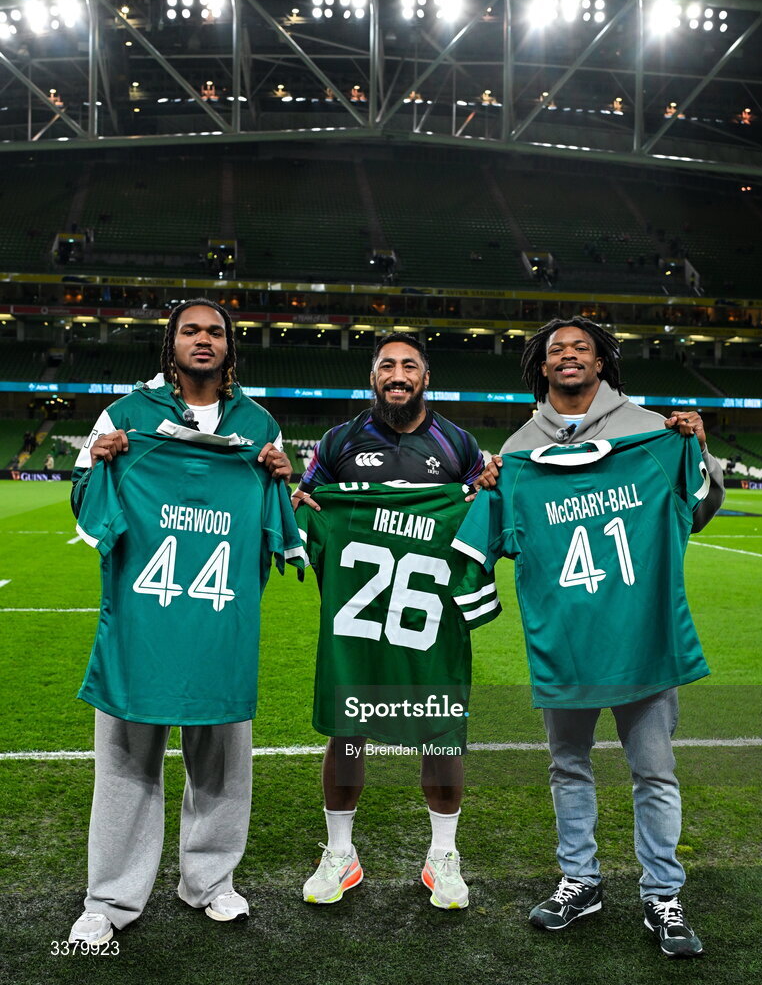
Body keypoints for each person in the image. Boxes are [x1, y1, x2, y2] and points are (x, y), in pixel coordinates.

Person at [472, 317, 724, 958]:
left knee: (655, 772)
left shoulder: (650, 432)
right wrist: (493, 487)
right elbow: (496, 539)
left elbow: (694, 507)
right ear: (541, 366)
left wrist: (698, 449)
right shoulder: (521, 449)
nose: (568, 356)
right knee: (568, 768)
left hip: (641, 637)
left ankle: (662, 894)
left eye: (581, 348)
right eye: (556, 350)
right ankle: (580, 880)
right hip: (571, 644)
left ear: (603, 361)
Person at [68, 299, 293, 946]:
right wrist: (99, 460)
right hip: (142, 627)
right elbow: (87, 509)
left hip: (219, 624)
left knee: (224, 764)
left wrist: (280, 474)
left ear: (230, 346)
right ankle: (108, 901)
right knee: (124, 765)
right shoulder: (126, 417)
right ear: (171, 344)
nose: (203, 339)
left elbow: (272, 521)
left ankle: (210, 883)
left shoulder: (259, 424)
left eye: (215, 331)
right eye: (190, 330)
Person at [292, 332, 486, 910]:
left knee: (442, 731)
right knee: (347, 734)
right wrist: (300, 503)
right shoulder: (338, 441)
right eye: (386, 365)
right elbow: (305, 502)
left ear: (425, 376)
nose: (397, 373)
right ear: (372, 376)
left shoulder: (457, 444)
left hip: (430, 622)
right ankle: (340, 854)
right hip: (358, 619)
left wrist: (484, 493)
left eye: (408, 365)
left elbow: (481, 501)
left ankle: (443, 856)